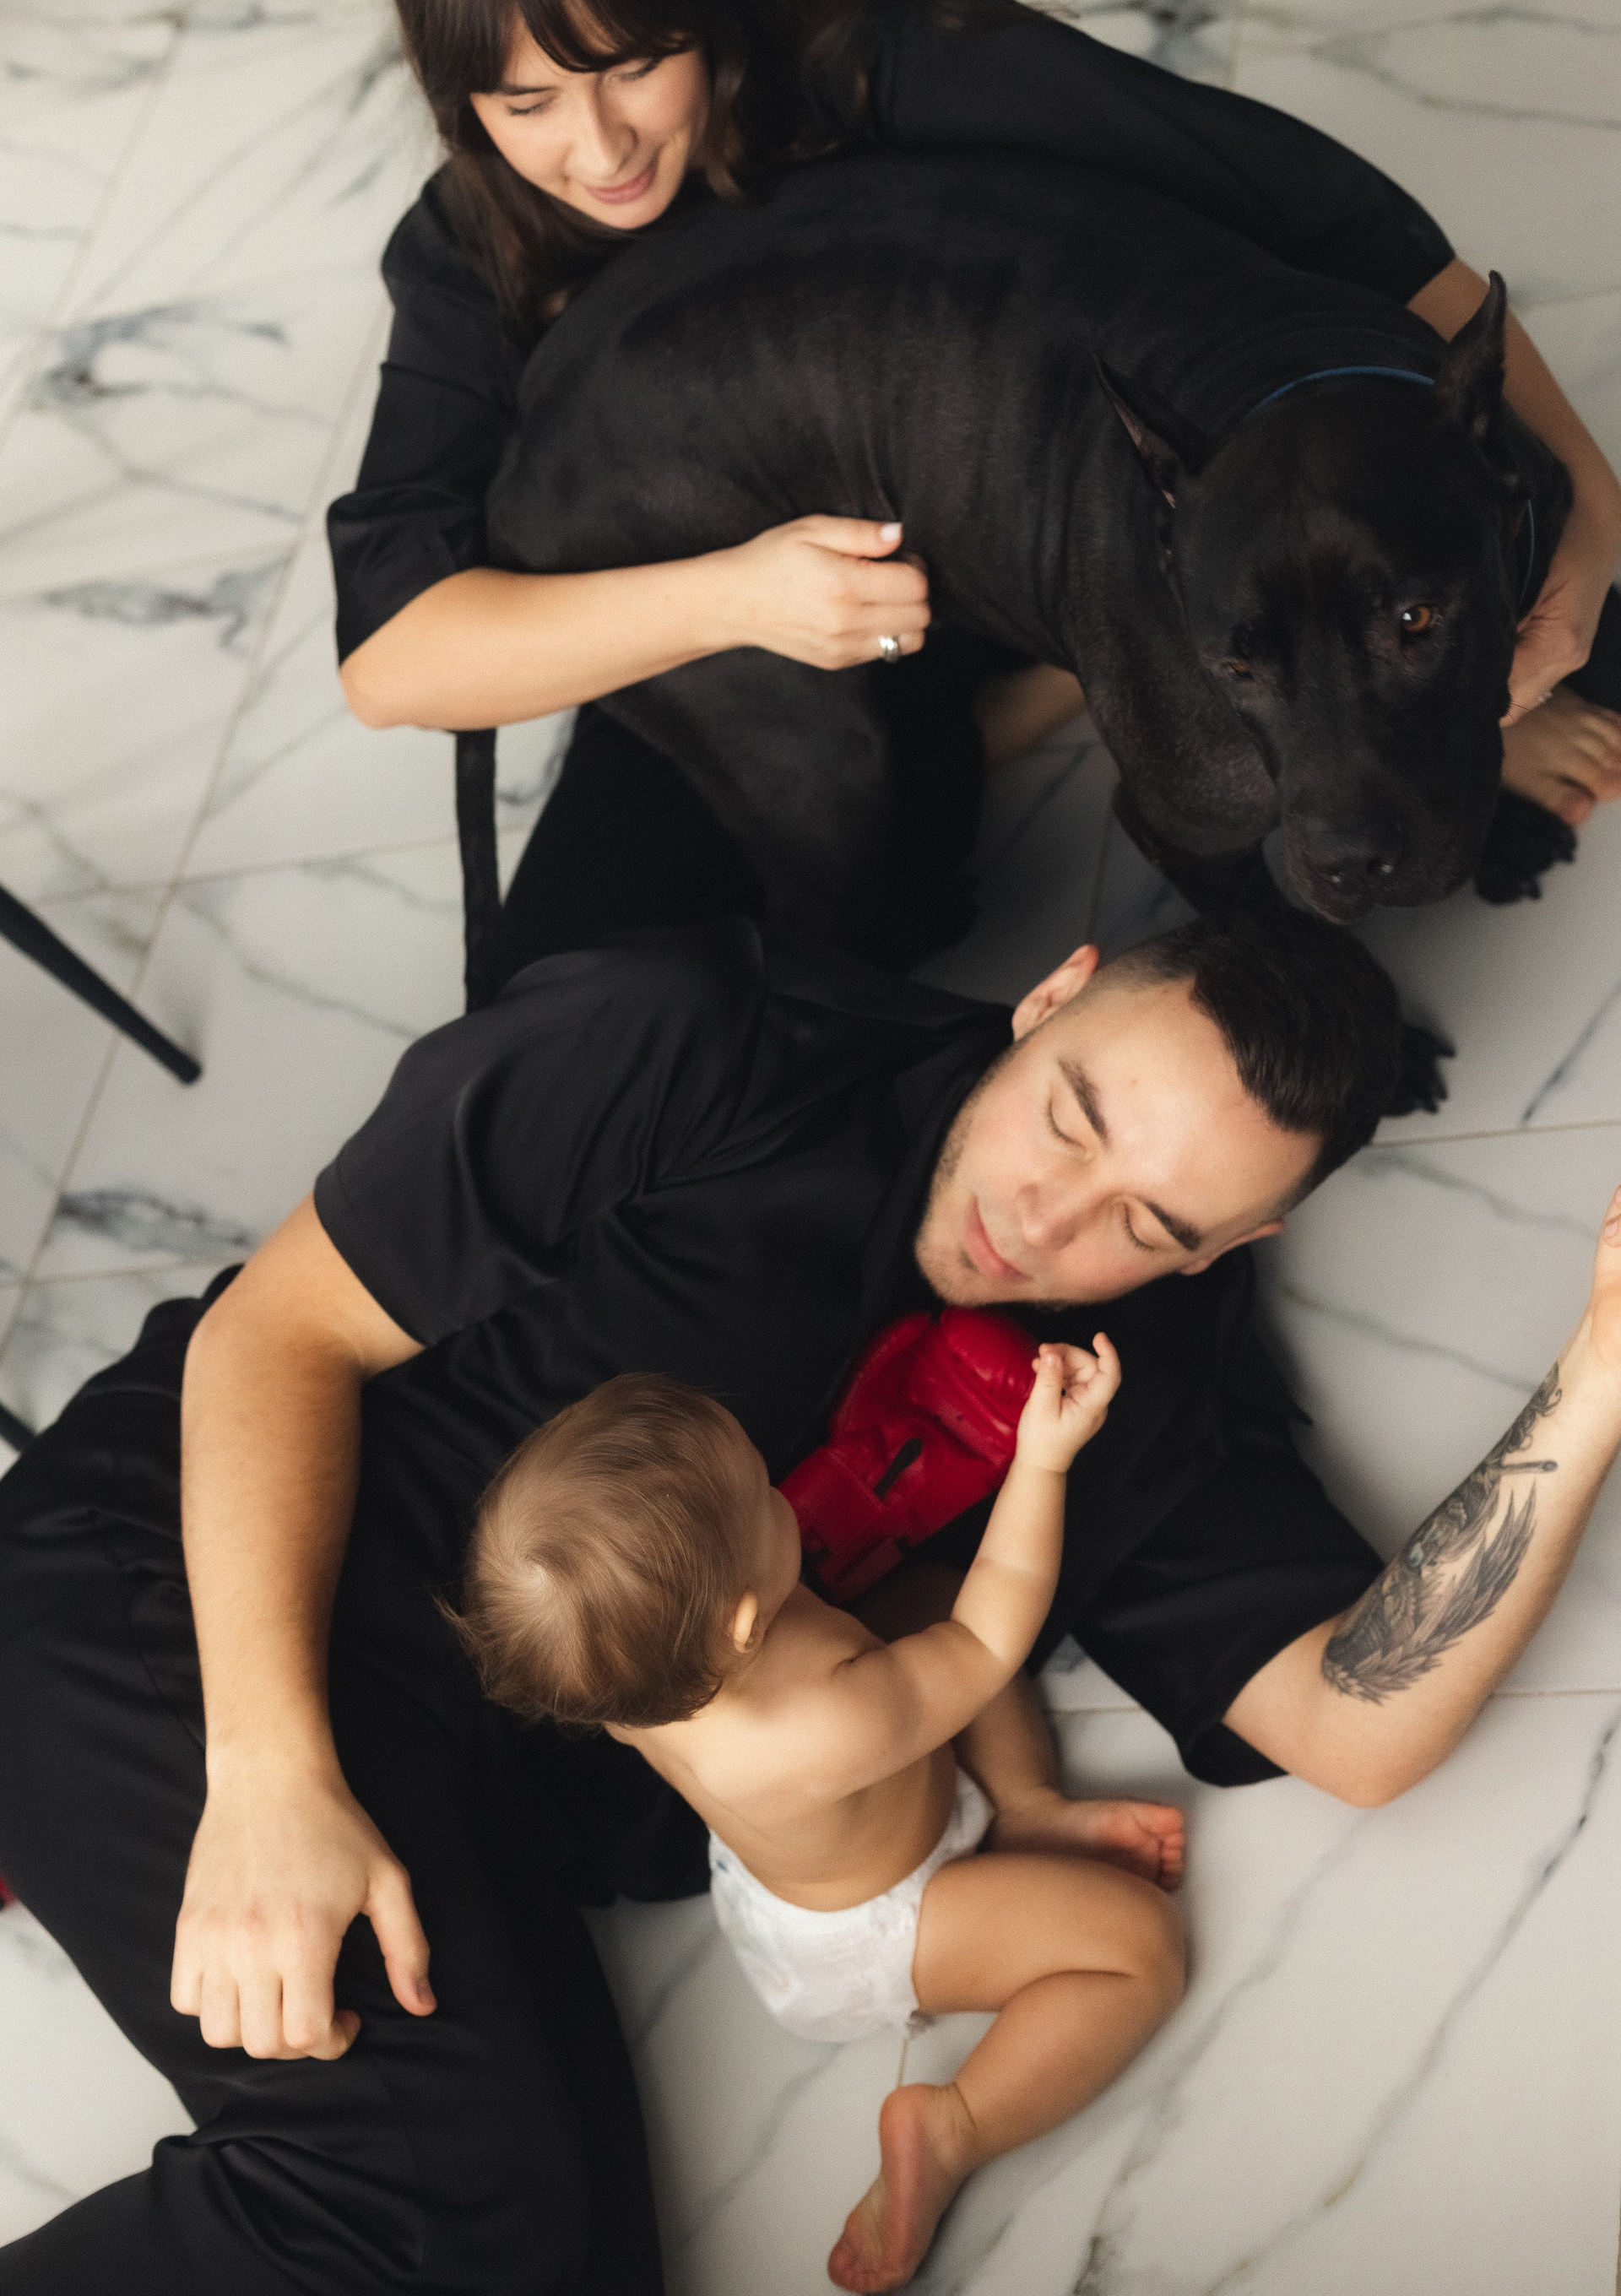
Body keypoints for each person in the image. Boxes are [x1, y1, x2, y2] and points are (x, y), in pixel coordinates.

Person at [5, 907, 1621, 2293]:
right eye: (1070, 1120)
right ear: (1051, 997)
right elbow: (273, 1336)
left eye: (1150, 1223)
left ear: (1225, 1247)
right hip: (185, 1575)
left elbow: (1355, 1725)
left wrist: (1602, 1373)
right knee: (432, 2214)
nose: (1047, 1221)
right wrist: (266, 1772)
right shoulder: (694, 1042)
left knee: (566, 2261)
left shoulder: (1123, 1370)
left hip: (470, 1764)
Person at [330, 0, 1621, 983]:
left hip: (1058, 469)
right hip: (740, 595)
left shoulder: (878, 44)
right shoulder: (467, 246)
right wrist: (745, 597)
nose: (599, 145)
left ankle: (1299, 711)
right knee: (574, 993)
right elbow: (391, 662)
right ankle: (1057, 694)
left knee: (1450, 582)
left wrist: (1588, 517)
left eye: (635, 65)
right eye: (525, 104)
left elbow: (1338, 219)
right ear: (460, 103)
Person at [448, 1346, 1186, 2295]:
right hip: (881, 1925)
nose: (782, 1491)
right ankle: (955, 2126)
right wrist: (1041, 1463)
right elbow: (986, 1640)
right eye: (766, 1494)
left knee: (924, 1602)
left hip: (795, 1865)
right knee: (1138, 1947)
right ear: (743, 1625)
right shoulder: (825, 1721)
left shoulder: (629, 1685)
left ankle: (1029, 1814)